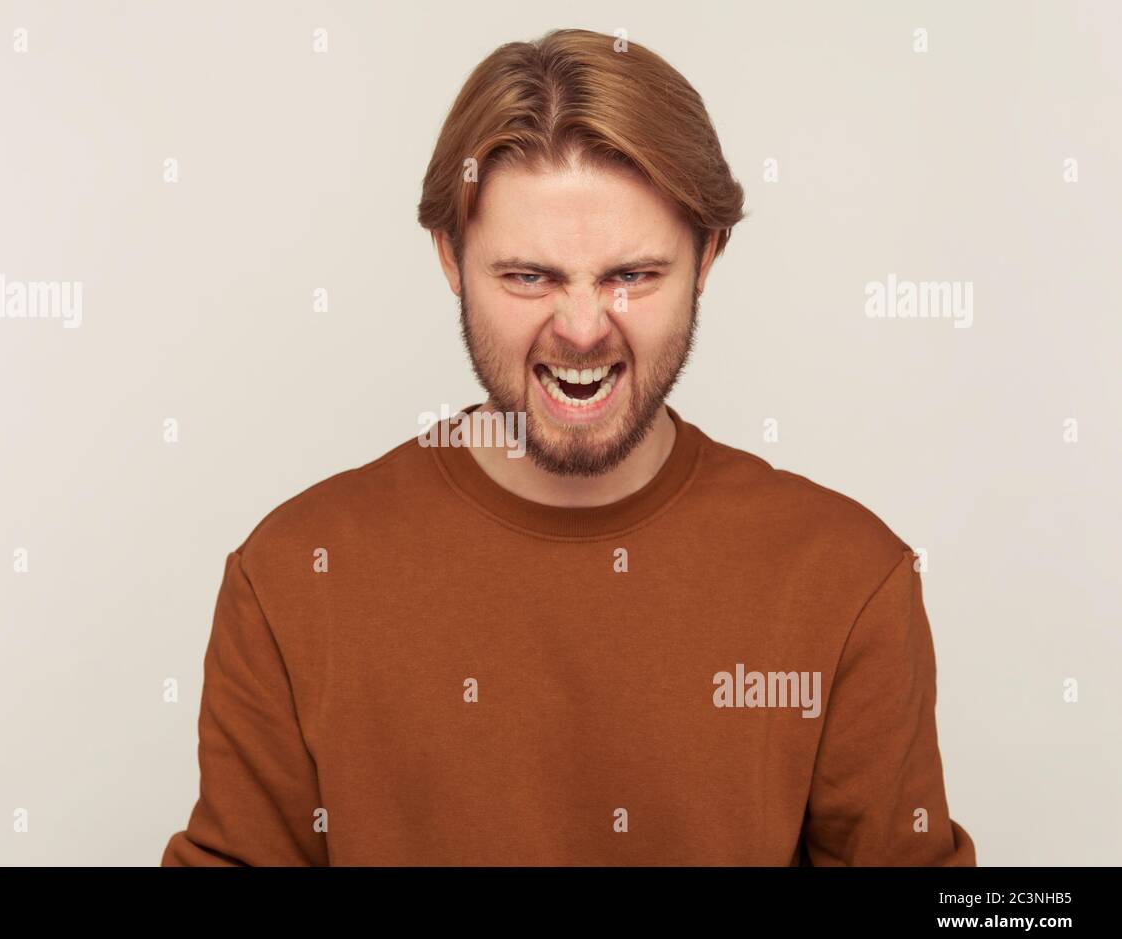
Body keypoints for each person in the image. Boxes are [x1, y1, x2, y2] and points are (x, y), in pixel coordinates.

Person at [162, 28, 976, 866]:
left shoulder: (847, 580)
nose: (583, 329)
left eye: (632, 275)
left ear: (708, 259)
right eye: (529, 276)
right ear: (450, 256)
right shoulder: (293, 577)